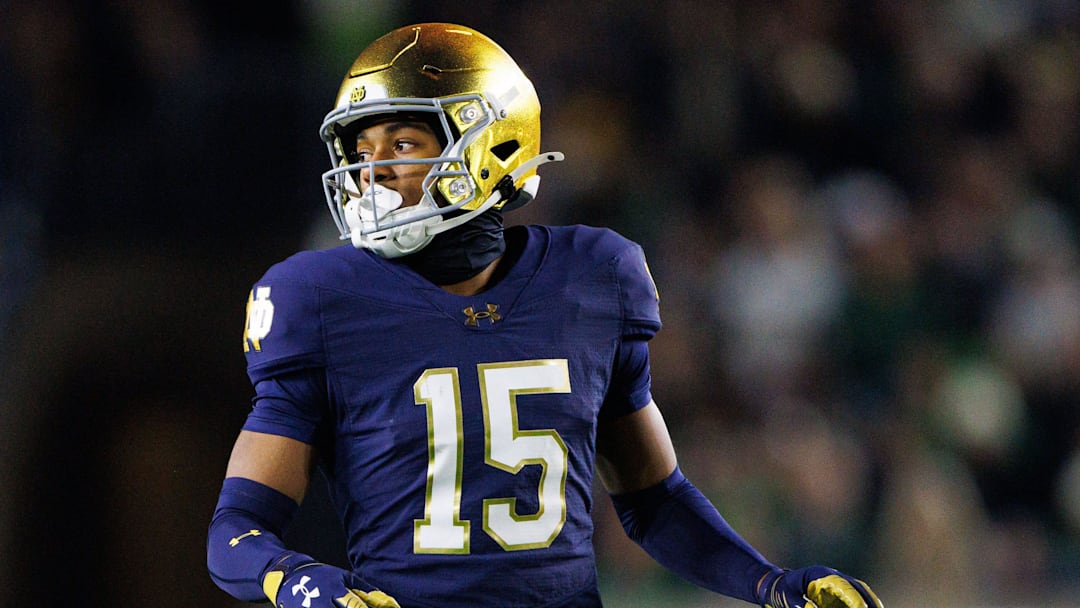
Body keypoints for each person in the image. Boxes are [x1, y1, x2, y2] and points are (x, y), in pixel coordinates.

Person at [206, 22, 884, 608]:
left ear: (490, 148)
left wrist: (772, 586)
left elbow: (654, 502)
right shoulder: (322, 299)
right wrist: (297, 581)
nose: (371, 171)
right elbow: (236, 529)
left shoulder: (592, 279)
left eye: (402, 145)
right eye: (361, 149)